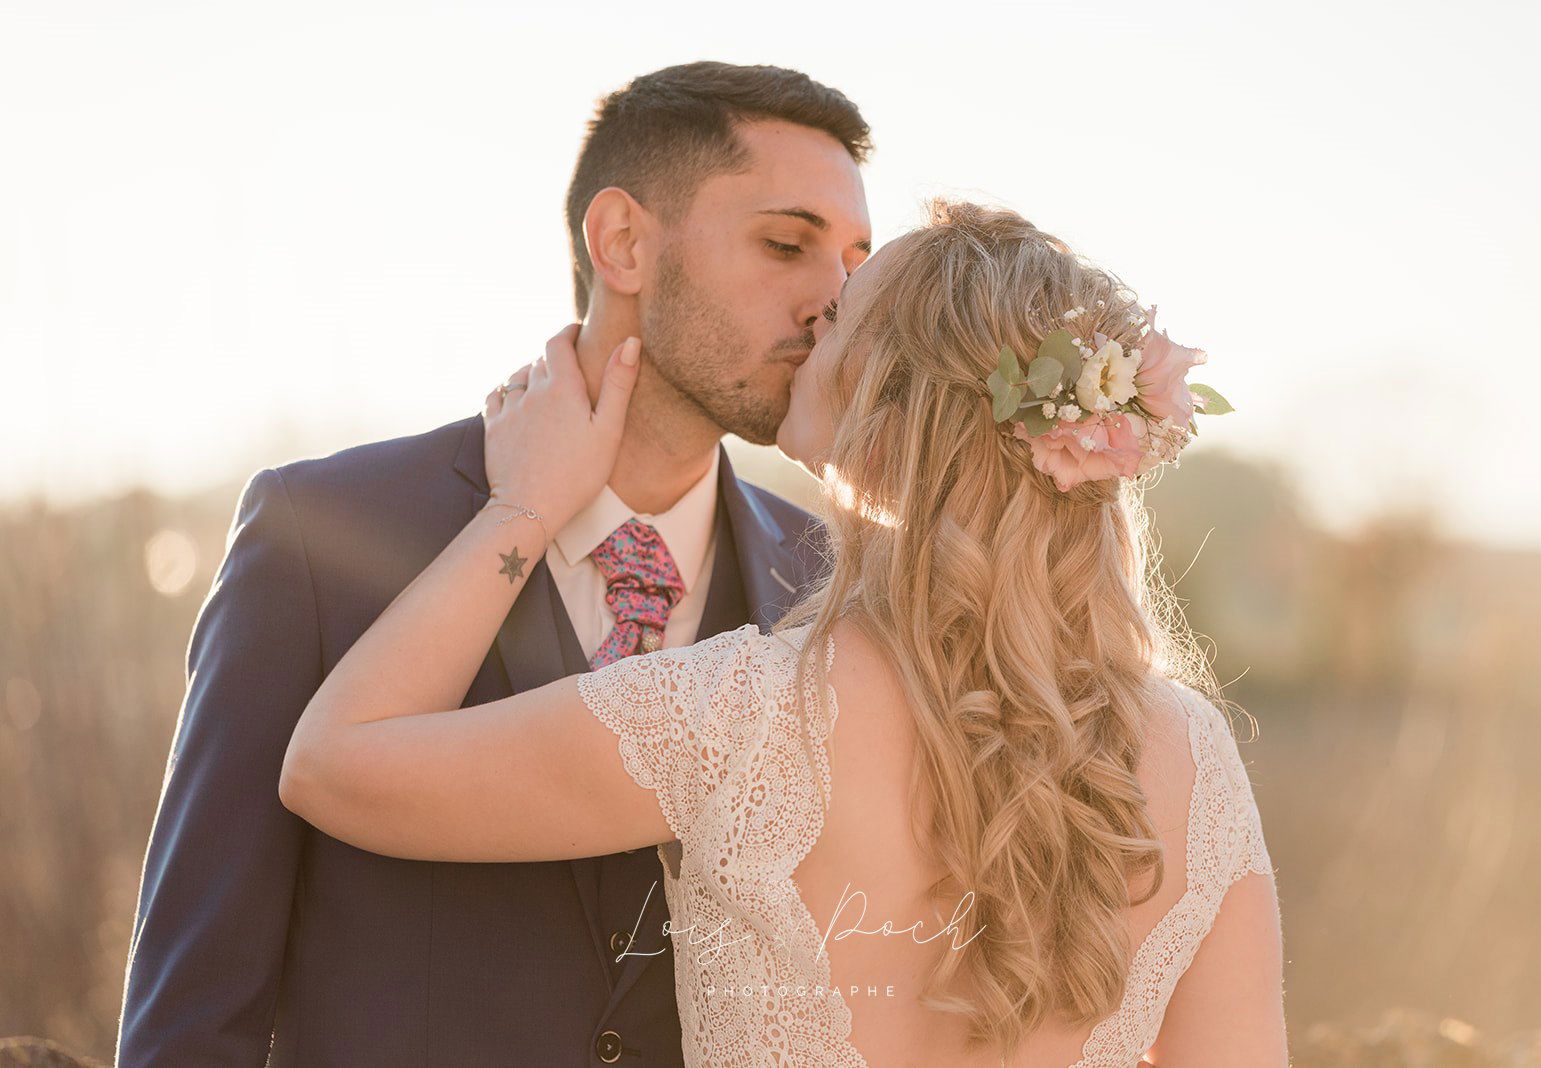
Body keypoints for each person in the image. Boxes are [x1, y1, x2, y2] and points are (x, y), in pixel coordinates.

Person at [279, 199, 1289, 1065]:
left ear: (887, 417)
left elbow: (332, 763)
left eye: (841, 313)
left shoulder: (739, 720)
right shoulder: (1191, 760)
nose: (810, 318)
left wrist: (524, 506)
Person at [117, 61, 872, 1066]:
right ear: (624, 243)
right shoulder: (320, 534)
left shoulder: (840, 583)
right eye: (787, 245)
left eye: (856, 265)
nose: (837, 304)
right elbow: (192, 1009)